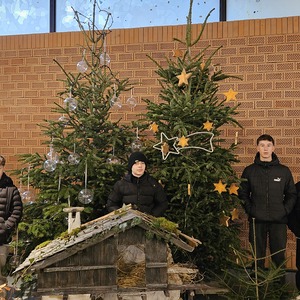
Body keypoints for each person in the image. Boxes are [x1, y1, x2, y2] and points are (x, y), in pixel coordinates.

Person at [239, 134, 297, 271]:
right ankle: (257, 291)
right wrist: (250, 209)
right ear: (257, 148)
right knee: (257, 257)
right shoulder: (249, 171)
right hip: (256, 220)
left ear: (273, 148)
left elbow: (292, 194)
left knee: (278, 258)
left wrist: (284, 211)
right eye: (262, 145)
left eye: (268, 145)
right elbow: (242, 193)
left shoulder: (283, 171)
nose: (265, 149)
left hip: (279, 221)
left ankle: (279, 291)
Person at [107, 151, 168, 217]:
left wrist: (151, 216)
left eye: (142, 163)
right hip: (126, 222)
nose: (140, 166)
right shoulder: (121, 184)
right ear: (131, 166)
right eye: (136, 163)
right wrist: (122, 215)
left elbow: (162, 204)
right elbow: (111, 205)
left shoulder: (153, 184)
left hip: (148, 223)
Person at [0, 155, 23, 283]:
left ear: (3, 168)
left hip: (1, 240)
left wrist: (5, 227)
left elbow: (17, 211)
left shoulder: (11, 190)